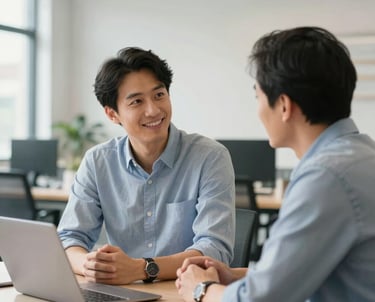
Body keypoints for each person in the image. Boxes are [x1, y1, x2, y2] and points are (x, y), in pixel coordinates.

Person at [176, 26, 375, 302]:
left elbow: (263, 299)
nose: (257, 109)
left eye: (257, 96)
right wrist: (236, 276)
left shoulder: (325, 177)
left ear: (283, 106)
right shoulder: (359, 155)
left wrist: (201, 290)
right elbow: (300, 272)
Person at [57, 47, 235, 285]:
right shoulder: (97, 161)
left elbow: (214, 248)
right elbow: (69, 237)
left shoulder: (210, 157)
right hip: (121, 290)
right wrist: (92, 266)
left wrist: (143, 268)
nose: (153, 110)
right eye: (137, 101)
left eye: (159, 95)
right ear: (112, 114)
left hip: (186, 293)